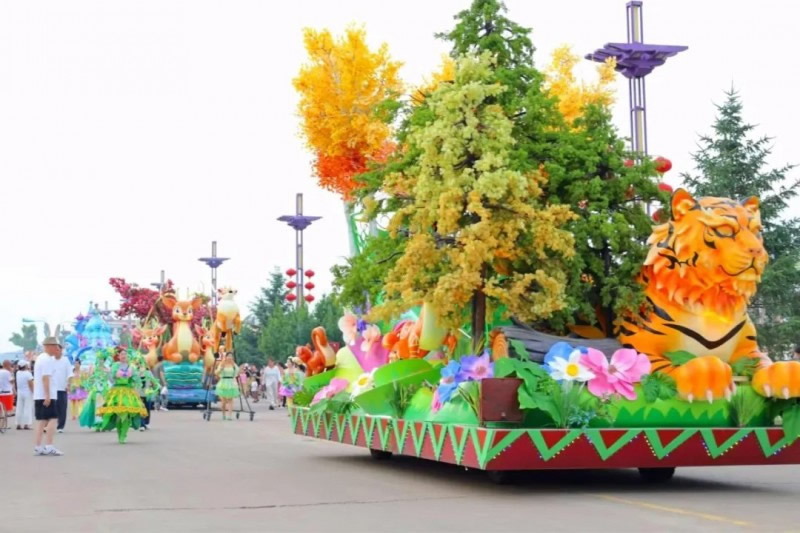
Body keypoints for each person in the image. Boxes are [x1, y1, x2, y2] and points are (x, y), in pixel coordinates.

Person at [96, 348, 147, 443]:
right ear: (119, 356)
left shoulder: (131, 367)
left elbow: (136, 379)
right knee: (119, 415)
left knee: (126, 414)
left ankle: (123, 434)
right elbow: (111, 379)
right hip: (117, 391)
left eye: (125, 354)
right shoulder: (115, 366)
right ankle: (120, 433)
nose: (124, 356)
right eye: (122, 354)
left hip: (128, 392)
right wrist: (108, 373)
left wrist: (140, 374)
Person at [34, 337, 63, 456]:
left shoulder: (41, 358)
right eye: (55, 346)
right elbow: (45, 377)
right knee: (53, 419)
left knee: (41, 421)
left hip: (39, 395)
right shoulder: (47, 359)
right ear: (49, 346)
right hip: (46, 395)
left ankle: (38, 446)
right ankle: (49, 445)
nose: (57, 349)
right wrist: (47, 395)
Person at [53, 344, 71, 433]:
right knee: (53, 408)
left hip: (62, 388)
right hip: (52, 388)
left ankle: (60, 426)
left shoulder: (65, 360)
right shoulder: (51, 360)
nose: (56, 351)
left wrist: (68, 384)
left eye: (58, 349)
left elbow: (69, 374)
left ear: (61, 350)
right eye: (55, 349)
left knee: (62, 408)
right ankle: (51, 425)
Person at [215, 352, 239, 420]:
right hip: (223, 382)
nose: (230, 357)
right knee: (223, 401)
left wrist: (235, 367)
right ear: (226, 357)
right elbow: (216, 372)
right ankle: (223, 414)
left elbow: (237, 372)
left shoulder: (233, 364)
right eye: (229, 356)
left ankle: (229, 415)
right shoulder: (222, 363)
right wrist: (221, 369)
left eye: (231, 356)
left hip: (231, 383)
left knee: (230, 400)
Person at [15, 360, 34, 429]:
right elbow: (30, 384)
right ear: (25, 366)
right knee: (27, 408)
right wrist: (33, 392)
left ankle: (18, 423)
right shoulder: (28, 374)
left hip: (20, 392)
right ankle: (26, 424)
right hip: (27, 392)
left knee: (19, 408)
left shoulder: (18, 373)